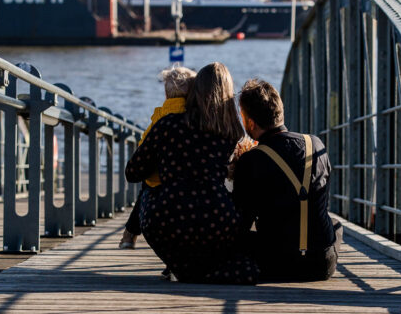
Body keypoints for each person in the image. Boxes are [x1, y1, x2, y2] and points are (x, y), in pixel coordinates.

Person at [124, 62, 258, 284]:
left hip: (165, 221)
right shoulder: (231, 132)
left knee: (149, 188)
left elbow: (132, 173)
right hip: (216, 220)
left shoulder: (167, 124)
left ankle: (181, 266)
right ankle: (203, 269)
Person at [233, 78, 338, 282]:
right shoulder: (316, 144)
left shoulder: (251, 160)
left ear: (250, 123)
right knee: (335, 225)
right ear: (280, 112)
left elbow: (242, 222)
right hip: (322, 264)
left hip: (275, 263)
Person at [120, 66, 197, 250]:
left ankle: (129, 235)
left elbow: (143, 148)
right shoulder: (195, 118)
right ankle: (129, 234)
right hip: (188, 182)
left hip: (158, 183)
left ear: (166, 93)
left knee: (147, 185)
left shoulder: (159, 117)